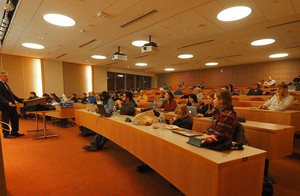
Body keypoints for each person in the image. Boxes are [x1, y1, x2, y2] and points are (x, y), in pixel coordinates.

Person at [136, 104, 193, 174]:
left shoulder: (187, 121)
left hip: (180, 141)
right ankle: (149, 163)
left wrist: (174, 122)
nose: (177, 116)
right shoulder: (180, 119)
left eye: (179, 114)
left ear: (184, 113)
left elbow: (181, 130)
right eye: (177, 114)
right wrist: (173, 121)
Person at [0, 70, 26, 138]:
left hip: (12, 105)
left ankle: (15, 132)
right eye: (5, 76)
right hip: (5, 106)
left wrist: (21, 100)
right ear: (0, 77)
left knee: (15, 119)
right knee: (5, 120)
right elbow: (0, 96)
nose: (8, 77)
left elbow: (12, 95)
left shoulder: (5, 84)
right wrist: (7, 103)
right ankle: (6, 134)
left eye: (8, 76)